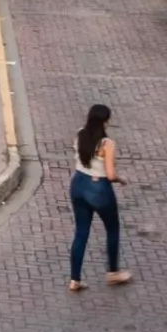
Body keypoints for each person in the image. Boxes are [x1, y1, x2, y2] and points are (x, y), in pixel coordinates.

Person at [67, 104, 130, 293]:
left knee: (81, 232)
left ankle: (74, 279)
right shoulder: (107, 144)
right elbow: (110, 175)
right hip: (99, 189)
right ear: (105, 121)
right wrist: (121, 179)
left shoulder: (80, 134)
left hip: (78, 184)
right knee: (112, 228)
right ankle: (112, 272)